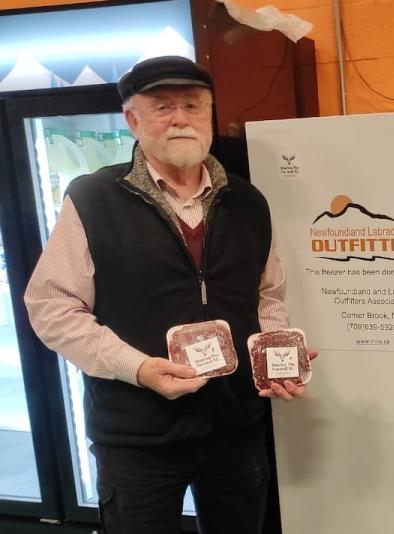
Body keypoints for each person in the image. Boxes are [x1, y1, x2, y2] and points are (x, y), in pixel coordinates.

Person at [24, 56, 310, 534]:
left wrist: (273, 352)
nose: (181, 118)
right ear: (132, 119)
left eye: (193, 106)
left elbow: (267, 294)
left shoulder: (248, 201)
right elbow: (52, 308)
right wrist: (136, 367)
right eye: (162, 107)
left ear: (210, 115)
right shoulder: (93, 199)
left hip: (233, 426)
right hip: (138, 435)